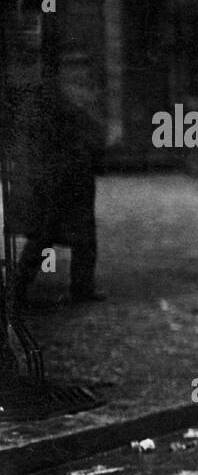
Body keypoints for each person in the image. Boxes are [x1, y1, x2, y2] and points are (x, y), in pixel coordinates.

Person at [14, 76, 106, 310]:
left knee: (80, 236)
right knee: (46, 234)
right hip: (60, 176)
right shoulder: (61, 106)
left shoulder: (67, 104)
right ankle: (17, 290)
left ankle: (81, 288)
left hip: (73, 174)